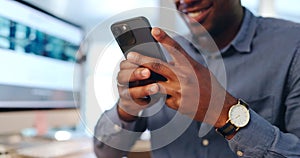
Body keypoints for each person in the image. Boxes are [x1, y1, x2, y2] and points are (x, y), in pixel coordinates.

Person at [94, 0, 300, 157]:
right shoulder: (161, 57)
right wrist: (126, 109)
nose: (186, 1)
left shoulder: (293, 46)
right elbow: (104, 152)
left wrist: (224, 112)